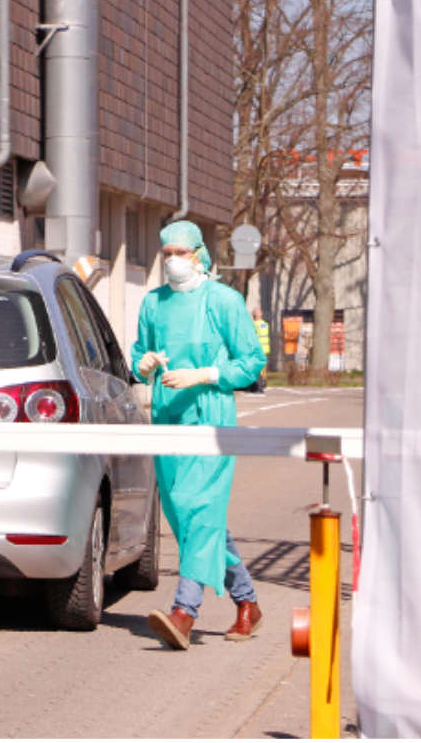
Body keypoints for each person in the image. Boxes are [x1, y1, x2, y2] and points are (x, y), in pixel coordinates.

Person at [131, 220, 267, 650]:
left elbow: (252, 361)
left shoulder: (224, 301)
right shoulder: (153, 303)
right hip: (167, 422)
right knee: (191, 520)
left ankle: (183, 612)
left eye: (181, 252)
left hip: (211, 420)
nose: (173, 261)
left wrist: (206, 375)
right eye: (166, 252)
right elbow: (138, 352)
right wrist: (145, 364)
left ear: (199, 254)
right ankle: (248, 602)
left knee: (201, 510)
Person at [250, 306, 270, 393]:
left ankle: (259, 385)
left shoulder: (253, 325)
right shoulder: (265, 324)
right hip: (265, 348)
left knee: (257, 367)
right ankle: (264, 380)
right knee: (263, 366)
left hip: (257, 349)